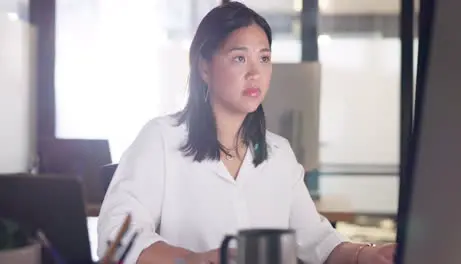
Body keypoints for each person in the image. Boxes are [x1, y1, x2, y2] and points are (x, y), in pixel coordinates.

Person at [97, 2, 396, 264]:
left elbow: (317, 241)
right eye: (239, 58)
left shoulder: (279, 155)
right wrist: (191, 259)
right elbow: (117, 235)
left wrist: (364, 254)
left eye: (264, 58)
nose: (255, 72)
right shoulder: (161, 139)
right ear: (204, 67)